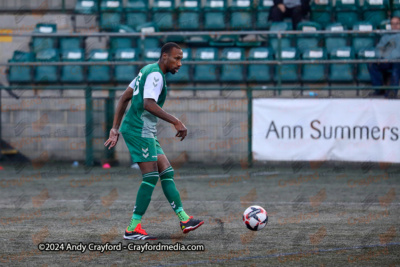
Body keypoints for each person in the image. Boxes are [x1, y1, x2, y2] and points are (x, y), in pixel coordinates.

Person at [104, 42, 204, 240]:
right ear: (164, 57)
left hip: (144, 130)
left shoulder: (146, 71)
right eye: (177, 58)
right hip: (138, 130)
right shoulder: (156, 75)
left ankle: (184, 219)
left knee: (166, 171)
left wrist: (115, 128)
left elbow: (125, 97)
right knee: (150, 177)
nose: (180, 63)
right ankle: (132, 228)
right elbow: (147, 104)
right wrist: (176, 121)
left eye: (181, 59)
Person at [368, 16, 400, 99]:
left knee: (396, 67)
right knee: (371, 64)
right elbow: (379, 49)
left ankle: (392, 92)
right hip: (387, 61)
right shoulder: (386, 36)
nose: (395, 26)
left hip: (397, 61)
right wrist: (380, 58)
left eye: (397, 23)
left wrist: (389, 58)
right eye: (393, 24)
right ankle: (379, 89)